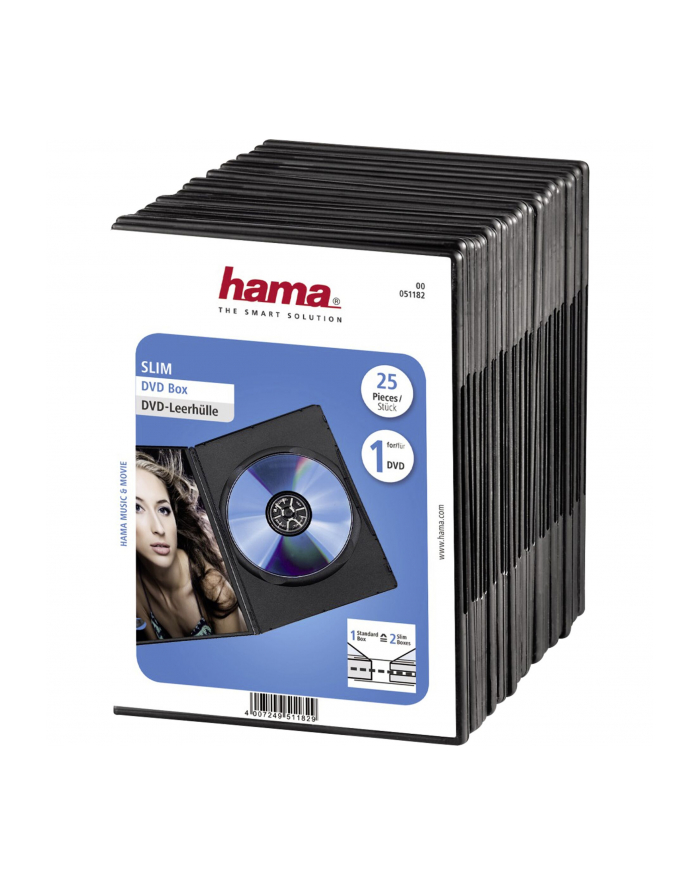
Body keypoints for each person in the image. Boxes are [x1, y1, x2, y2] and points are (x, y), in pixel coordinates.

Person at [135, 450, 245, 640]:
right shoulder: (134, 585)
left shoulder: (213, 589)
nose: (159, 528)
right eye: (136, 508)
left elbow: (232, 656)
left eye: (163, 510)